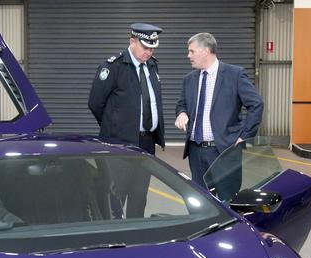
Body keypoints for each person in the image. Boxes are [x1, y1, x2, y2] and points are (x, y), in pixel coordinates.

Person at [88, 23, 165, 218]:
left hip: (146, 143)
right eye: (145, 47)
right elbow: (95, 103)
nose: (149, 52)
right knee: (115, 195)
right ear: (132, 41)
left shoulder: (153, 65)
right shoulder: (113, 67)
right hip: (119, 144)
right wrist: (115, 128)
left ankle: (135, 236)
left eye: (153, 48)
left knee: (139, 196)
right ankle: (114, 239)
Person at [175, 32, 263, 200]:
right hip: (195, 150)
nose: (188, 56)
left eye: (191, 51)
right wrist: (182, 113)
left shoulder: (234, 74)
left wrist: (244, 136)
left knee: (227, 200)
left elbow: (256, 104)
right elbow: (182, 103)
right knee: (200, 200)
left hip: (224, 150)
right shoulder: (189, 79)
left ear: (205, 51)